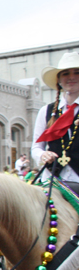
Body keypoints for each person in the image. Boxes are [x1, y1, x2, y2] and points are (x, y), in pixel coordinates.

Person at [32, 53, 79, 189]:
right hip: (53, 181)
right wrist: (43, 155)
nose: (71, 77)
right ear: (59, 79)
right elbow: (36, 147)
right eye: (65, 74)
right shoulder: (46, 111)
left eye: (77, 72)